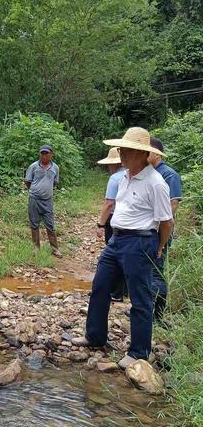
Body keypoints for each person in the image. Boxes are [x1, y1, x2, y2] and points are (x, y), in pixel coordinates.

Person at [72, 127, 173, 369]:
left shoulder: (155, 183)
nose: (121, 154)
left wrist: (157, 247)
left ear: (141, 153)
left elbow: (167, 222)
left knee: (140, 298)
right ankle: (95, 336)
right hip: (116, 240)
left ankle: (138, 352)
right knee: (100, 287)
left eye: (125, 150)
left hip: (140, 242)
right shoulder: (125, 177)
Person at [148, 136, 182, 321]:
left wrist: (161, 229)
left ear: (156, 153)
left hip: (160, 230)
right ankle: (146, 310)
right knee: (147, 270)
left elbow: (173, 204)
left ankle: (157, 314)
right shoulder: (147, 171)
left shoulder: (169, 174)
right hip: (146, 230)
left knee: (156, 270)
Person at [96, 147, 127, 301]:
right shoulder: (131, 175)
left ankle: (116, 292)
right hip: (129, 221)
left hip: (115, 219)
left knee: (114, 255)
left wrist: (101, 224)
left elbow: (109, 204)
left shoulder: (115, 178)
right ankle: (125, 290)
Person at [25, 145, 62, 257]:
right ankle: (36, 248)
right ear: (40, 154)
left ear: (51, 155)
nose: (44, 155)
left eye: (46, 153)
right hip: (34, 199)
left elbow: (55, 182)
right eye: (42, 153)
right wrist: (36, 191)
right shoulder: (33, 167)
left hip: (47, 200)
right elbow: (27, 181)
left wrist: (46, 190)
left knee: (50, 225)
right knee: (34, 224)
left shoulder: (55, 168)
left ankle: (55, 249)